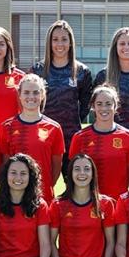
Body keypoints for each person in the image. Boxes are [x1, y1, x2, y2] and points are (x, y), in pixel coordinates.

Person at [30, 19, 93, 178]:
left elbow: (86, 104)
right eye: (55, 39)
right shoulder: (38, 70)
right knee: (39, 184)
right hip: (43, 138)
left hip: (71, 139)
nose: (60, 44)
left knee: (74, 188)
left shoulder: (81, 71)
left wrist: (71, 121)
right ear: (49, 43)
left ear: (71, 42)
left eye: (64, 39)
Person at [0, 73, 65, 203]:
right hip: (15, 197)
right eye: (26, 92)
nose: (31, 97)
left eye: (35, 92)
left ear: (42, 95)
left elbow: (56, 168)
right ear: (20, 95)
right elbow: (5, 165)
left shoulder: (54, 128)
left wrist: (43, 186)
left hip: (43, 196)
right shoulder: (7, 127)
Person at [69, 84, 129, 200]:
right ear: (93, 106)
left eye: (108, 104)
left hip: (117, 202)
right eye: (99, 104)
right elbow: (73, 172)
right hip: (88, 202)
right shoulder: (80, 137)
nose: (104, 108)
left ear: (115, 106)